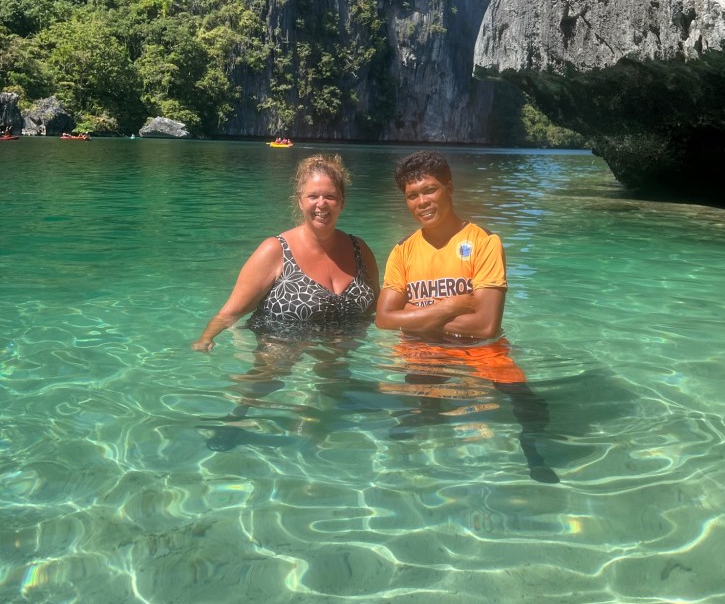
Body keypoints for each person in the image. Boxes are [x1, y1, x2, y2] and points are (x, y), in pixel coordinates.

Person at [376, 150, 559, 483]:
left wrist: (415, 315)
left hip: (480, 349)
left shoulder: (484, 242)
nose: (422, 202)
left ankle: (532, 448)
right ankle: (420, 443)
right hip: (423, 351)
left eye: (430, 190)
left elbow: (486, 325)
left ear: (449, 187)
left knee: (528, 403)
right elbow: (385, 319)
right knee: (417, 404)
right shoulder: (402, 251)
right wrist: (450, 306)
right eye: (412, 195)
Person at [192, 154, 379, 353]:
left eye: (330, 196)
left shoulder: (359, 249)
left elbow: (378, 305)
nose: (321, 203)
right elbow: (230, 312)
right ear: (300, 201)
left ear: (342, 202)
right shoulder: (275, 251)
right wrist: (205, 339)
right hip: (278, 349)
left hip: (341, 356)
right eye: (313, 196)